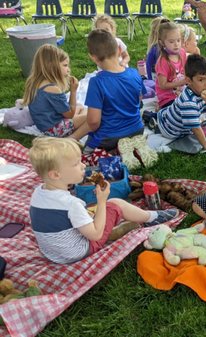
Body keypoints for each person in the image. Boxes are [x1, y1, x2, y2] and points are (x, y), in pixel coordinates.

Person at [28, 137, 179, 264]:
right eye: (76, 164)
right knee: (115, 203)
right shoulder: (72, 204)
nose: (83, 165)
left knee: (93, 209)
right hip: (78, 251)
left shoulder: (38, 192)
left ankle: (123, 225)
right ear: (55, 175)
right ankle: (153, 217)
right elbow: (95, 235)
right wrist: (101, 201)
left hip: (52, 253)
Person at [84, 29, 145, 153]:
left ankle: (113, 152)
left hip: (109, 137)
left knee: (85, 152)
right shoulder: (135, 73)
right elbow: (139, 101)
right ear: (119, 50)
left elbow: (94, 122)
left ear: (93, 57)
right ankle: (127, 150)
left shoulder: (96, 82)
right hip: (137, 130)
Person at [23, 44, 90, 141]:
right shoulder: (52, 88)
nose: (68, 69)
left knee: (80, 106)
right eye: (65, 65)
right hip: (55, 130)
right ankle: (72, 138)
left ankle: (79, 122)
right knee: (94, 116)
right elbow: (70, 114)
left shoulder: (33, 82)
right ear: (52, 65)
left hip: (44, 126)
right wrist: (73, 91)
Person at [155, 54, 206, 152]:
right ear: (188, 80)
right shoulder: (189, 102)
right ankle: (154, 118)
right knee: (163, 117)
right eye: (201, 80)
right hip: (169, 128)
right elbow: (196, 129)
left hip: (178, 121)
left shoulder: (200, 92)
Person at [155, 21, 188, 109]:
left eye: (178, 40)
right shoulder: (163, 62)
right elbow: (162, 85)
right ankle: (158, 114)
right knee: (182, 109)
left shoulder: (182, 53)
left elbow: (184, 71)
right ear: (162, 43)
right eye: (171, 41)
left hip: (181, 91)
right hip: (167, 97)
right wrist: (182, 82)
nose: (176, 44)